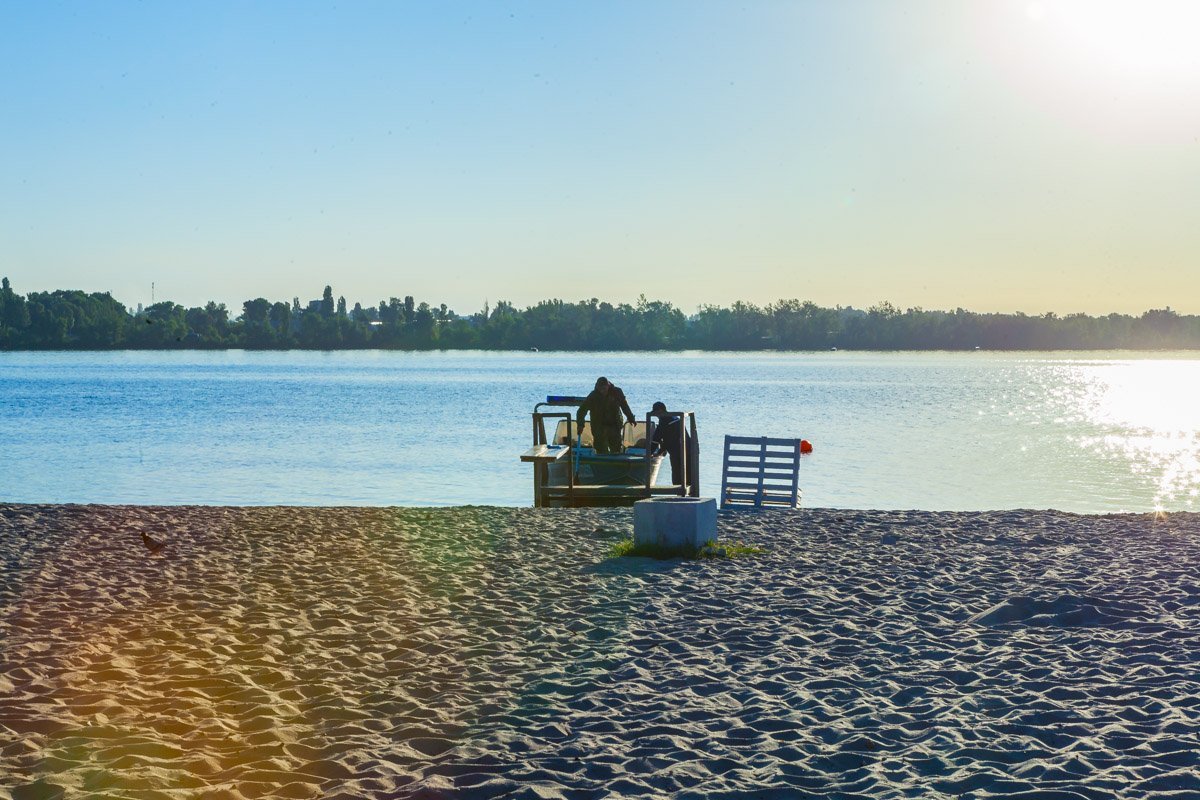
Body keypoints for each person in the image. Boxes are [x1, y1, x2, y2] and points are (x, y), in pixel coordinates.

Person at [576, 377, 636, 455]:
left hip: (614, 425)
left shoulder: (617, 392)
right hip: (598, 427)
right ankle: (601, 460)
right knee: (600, 450)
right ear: (597, 387)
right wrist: (580, 425)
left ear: (608, 386)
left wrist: (631, 418)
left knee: (616, 449)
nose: (602, 391)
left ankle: (615, 460)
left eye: (604, 388)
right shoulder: (593, 396)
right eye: (600, 389)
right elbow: (581, 411)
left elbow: (624, 406)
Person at [650, 401, 697, 495]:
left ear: (661, 411)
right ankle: (691, 496)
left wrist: (648, 453)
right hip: (689, 450)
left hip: (677, 453)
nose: (656, 416)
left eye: (656, 413)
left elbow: (656, 439)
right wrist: (659, 452)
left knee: (677, 478)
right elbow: (669, 437)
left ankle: (679, 496)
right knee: (689, 476)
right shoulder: (675, 418)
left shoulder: (664, 421)